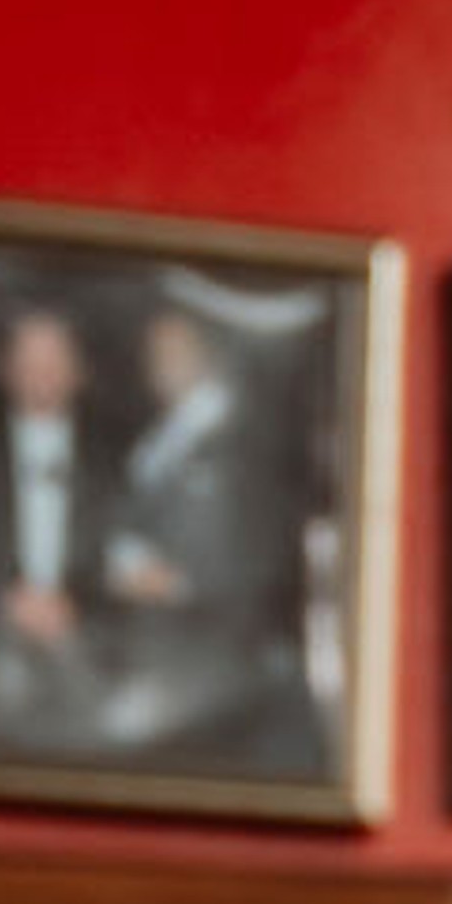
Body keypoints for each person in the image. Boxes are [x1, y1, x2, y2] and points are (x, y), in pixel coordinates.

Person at [102, 299, 310, 772]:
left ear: (207, 353)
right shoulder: (159, 438)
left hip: (215, 661)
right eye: (154, 352)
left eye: (174, 350)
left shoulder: (244, 442)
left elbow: (262, 553)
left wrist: (178, 584)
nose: (160, 364)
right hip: (154, 650)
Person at [0, 307, 120, 750]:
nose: (41, 372)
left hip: (85, 642)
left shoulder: (112, 464)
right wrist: (8, 600)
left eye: (55, 359)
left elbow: (124, 558)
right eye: (27, 360)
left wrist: (73, 605)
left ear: (80, 373)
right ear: (4, 371)